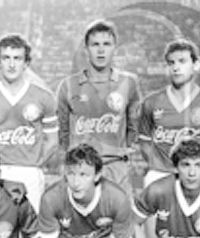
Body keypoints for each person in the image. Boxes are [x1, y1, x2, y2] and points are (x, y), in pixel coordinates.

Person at [56, 19, 141, 195]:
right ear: (86, 49)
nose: (101, 50)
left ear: (114, 47)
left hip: (116, 168)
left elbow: (134, 128)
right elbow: (62, 133)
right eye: (95, 44)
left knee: (120, 220)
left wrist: (120, 152)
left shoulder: (129, 83)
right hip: (80, 170)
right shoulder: (68, 85)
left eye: (106, 44)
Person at [0, 34, 58, 213]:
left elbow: (52, 141)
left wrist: (35, 163)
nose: (11, 64)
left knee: (31, 231)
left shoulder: (43, 97)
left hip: (30, 173)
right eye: (6, 58)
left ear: (26, 63)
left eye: (17, 58)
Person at [138, 38, 200, 187]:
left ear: (196, 65)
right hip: (161, 175)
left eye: (182, 61)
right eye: (171, 63)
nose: (176, 67)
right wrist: (161, 168)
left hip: (198, 176)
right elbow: (144, 144)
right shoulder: (150, 102)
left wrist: (199, 172)